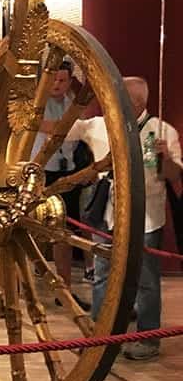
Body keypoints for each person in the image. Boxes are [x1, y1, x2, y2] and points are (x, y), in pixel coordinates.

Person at [64, 76, 181, 360]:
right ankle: (101, 336)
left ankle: (149, 338)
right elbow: (61, 130)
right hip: (106, 214)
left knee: (146, 279)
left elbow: (173, 176)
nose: (111, 99)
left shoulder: (161, 130)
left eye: (119, 95)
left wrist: (166, 157)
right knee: (102, 276)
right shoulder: (99, 125)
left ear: (137, 101)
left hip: (146, 216)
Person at [31, 61, 79, 285]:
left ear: (70, 82)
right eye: (53, 80)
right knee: (36, 224)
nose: (57, 84)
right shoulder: (37, 103)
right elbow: (44, 125)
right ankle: (36, 268)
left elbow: (77, 128)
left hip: (66, 170)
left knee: (64, 231)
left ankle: (64, 284)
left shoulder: (71, 103)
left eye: (62, 80)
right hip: (40, 172)